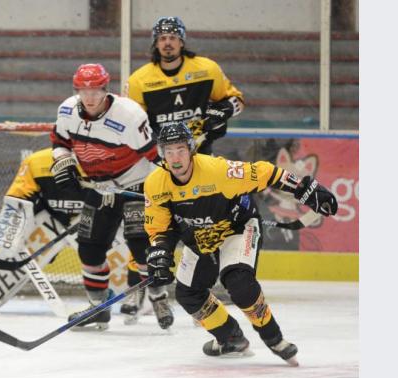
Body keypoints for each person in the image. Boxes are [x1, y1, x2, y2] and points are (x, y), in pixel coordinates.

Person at [143, 121, 338, 364]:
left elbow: (266, 172)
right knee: (188, 294)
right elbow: (159, 227)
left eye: (181, 150)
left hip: (237, 227)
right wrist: (160, 255)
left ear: (191, 149)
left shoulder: (218, 170)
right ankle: (230, 338)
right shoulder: (155, 183)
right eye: (169, 151)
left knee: (239, 282)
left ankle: (273, 338)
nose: (175, 158)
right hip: (200, 236)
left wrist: (306, 190)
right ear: (161, 153)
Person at [50, 63, 173, 331]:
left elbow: (155, 156)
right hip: (100, 186)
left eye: (96, 90)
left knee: (141, 244)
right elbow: (60, 144)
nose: (90, 97)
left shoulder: (129, 115)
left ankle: (158, 296)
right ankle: (98, 308)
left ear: (107, 89)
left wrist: (174, 187)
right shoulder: (67, 110)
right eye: (84, 90)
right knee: (89, 249)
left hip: (137, 182)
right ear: (77, 90)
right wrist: (63, 164)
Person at [0, 147, 147, 324]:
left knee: (128, 241)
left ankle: (136, 292)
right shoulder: (37, 162)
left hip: (99, 220)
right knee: (15, 250)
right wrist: (11, 238)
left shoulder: (114, 161)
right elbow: (17, 200)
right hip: (51, 223)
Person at [126, 16, 244, 155]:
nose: (167, 43)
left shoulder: (207, 69)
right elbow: (133, 123)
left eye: (173, 37)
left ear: (181, 42)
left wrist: (221, 112)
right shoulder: (138, 80)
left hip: (202, 153)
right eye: (162, 38)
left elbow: (237, 101)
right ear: (156, 44)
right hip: (161, 156)